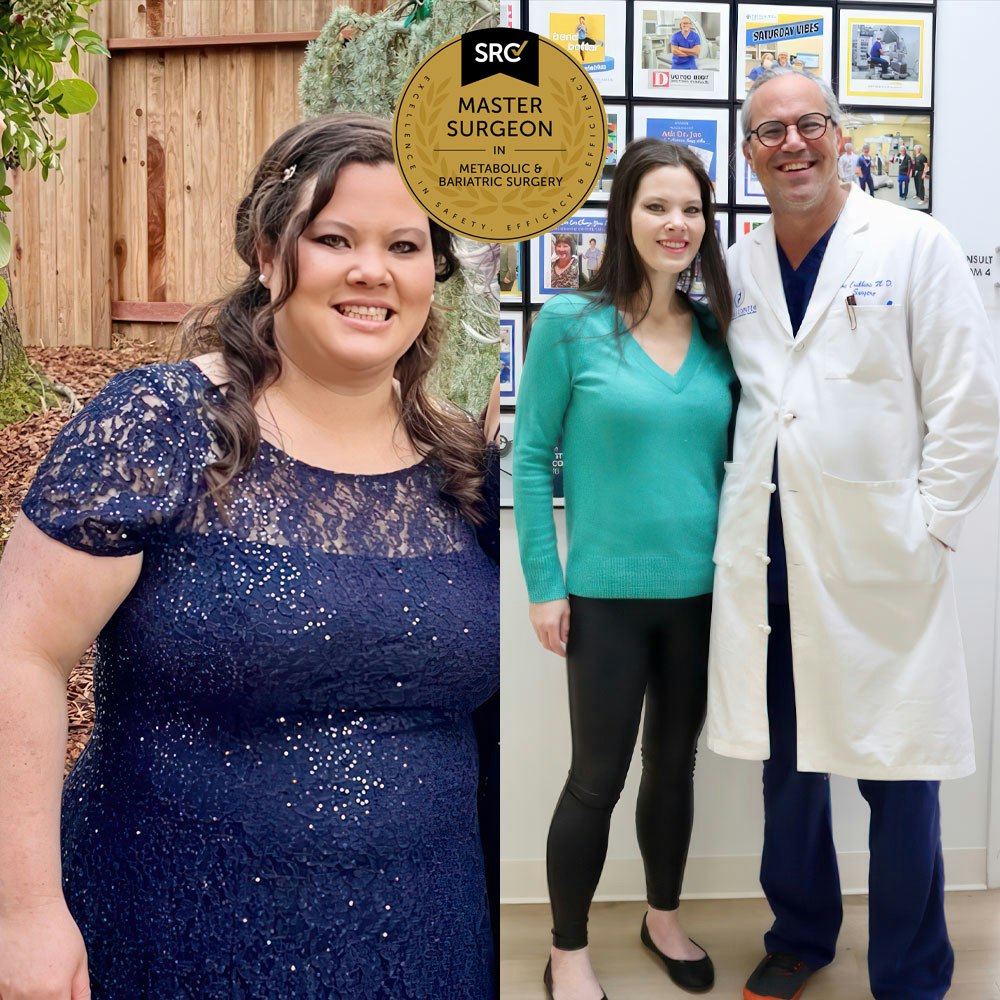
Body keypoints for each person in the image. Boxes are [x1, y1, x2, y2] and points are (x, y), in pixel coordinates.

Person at [0, 113, 500, 999]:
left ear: (434, 274)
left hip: (428, 940)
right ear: (269, 254)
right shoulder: (157, 427)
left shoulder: (467, 469)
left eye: (404, 245)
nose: (372, 270)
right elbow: (21, 651)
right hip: (171, 934)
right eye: (334, 238)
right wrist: (23, 912)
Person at [710, 67, 999, 1000]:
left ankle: (911, 972)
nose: (792, 143)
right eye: (770, 131)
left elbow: (970, 406)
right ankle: (800, 936)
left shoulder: (914, 244)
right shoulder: (738, 267)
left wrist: (930, 530)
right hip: (772, 558)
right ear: (748, 154)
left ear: (840, 137)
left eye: (810, 123)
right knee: (789, 769)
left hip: (882, 559)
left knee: (899, 771)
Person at [514, 138, 735, 1000]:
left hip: (701, 595)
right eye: (657, 206)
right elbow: (529, 458)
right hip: (603, 597)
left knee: (674, 767)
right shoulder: (571, 324)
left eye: (692, 209)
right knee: (595, 779)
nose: (677, 223)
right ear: (624, 216)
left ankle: (662, 918)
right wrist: (543, 585)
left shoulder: (717, 332)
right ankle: (567, 949)